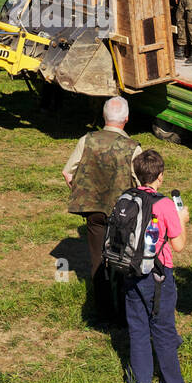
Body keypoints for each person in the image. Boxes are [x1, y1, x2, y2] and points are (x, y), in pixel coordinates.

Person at [121, 150, 192, 383]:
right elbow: (178, 246)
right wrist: (182, 220)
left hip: (131, 271)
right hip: (158, 276)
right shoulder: (165, 205)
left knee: (138, 328)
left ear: (137, 174)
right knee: (164, 331)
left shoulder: (126, 197)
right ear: (161, 176)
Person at [64, 96, 142, 325]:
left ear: (104, 116)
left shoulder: (87, 140)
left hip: (94, 210)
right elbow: (141, 183)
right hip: (124, 215)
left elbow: (68, 173)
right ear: (126, 119)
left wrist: (85, 190)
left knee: (98, 259)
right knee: (122, 260)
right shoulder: (133, 147)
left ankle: (103, 312)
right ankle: (124, 313)